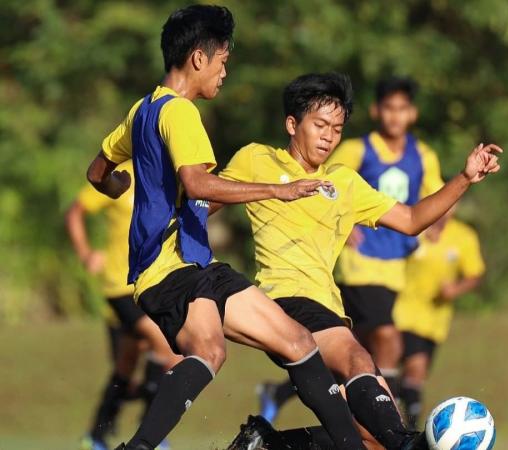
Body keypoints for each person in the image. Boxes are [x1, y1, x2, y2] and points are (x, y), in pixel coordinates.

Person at [86, 6, 367, 450]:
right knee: (215, 351)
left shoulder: (143, 108)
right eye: (223, 63)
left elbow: (97, 170)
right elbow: (196, 183)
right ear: (200, 58)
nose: (223, 74)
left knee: (290, 340)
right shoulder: (179, 113)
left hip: (194, 264)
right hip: (170, 266)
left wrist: (117, 183)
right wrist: (279, 191)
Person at [220, 72, 502, 450]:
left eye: (336, 129)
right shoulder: (256, 159)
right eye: (320, 125)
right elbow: (204, 200)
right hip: (283, 302)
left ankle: (266, 444)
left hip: (329, 309)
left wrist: (465, 178)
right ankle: (407, 443)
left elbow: (412, 220)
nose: (328, 137)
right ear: (292, 124)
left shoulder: (344, 182)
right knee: (358, 359)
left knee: (370, 436)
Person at [257, 77, 444, 420]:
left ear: (413, 114)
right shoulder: (358, 149)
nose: (394, 116)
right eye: (388, 108)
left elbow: (431, 203)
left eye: (402, 109)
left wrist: (440, 220)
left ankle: (288, 396)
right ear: (377, 111)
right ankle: (389, 417)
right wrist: (350, 222)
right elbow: (326, 182)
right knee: (387, 340)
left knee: (349, 354)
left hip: (395, 267)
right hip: (358, 265)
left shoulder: (424, 156)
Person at [66, 160, 179, 450]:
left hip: (151, 283)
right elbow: (75, 211)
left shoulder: (171, 175)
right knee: (167, 350)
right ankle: (151, 434)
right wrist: (86, 253)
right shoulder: (121, 173)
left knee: (127, 363)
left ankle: (97, 435)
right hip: (120, 285)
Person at [393, 206, 485, 428]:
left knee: (412, 377)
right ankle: (407, 430)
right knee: (415, 368)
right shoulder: (413, 224)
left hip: (434, 321)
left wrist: (455, 289)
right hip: (401, 311)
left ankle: (393, 419)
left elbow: (475, 274)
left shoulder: (463, 236)